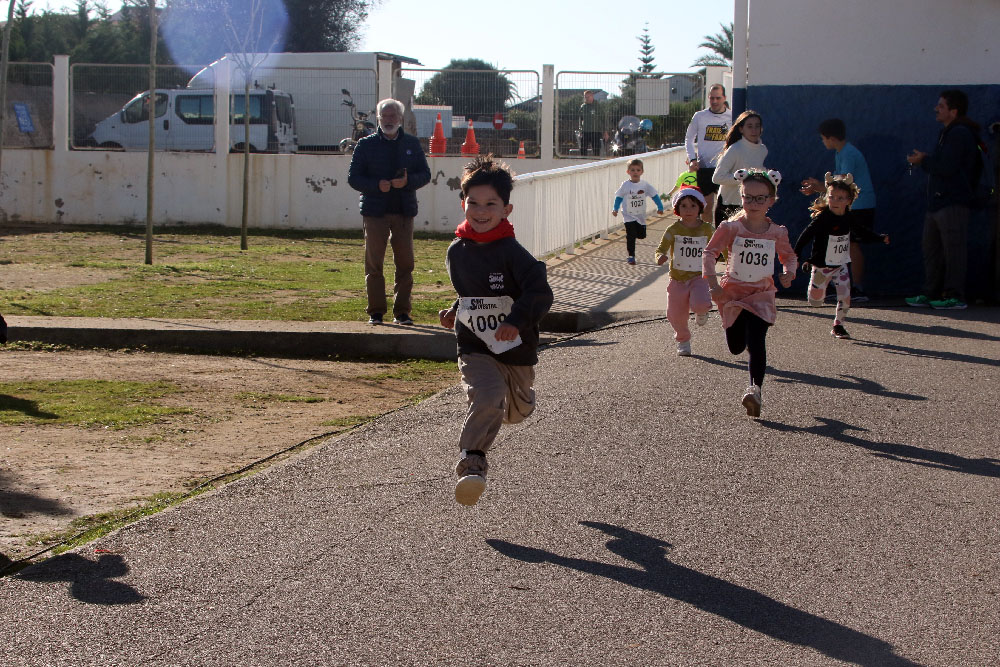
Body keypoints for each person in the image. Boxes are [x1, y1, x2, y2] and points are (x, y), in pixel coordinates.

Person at [438, 155, 554, 506]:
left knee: (514, 412)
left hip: (515, 349)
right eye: (473, 202)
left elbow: (539, 293)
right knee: (486, 396)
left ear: (507, 209)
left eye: (491, 204)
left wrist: (515, 321)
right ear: (463, 204)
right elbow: (471, 293)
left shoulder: (514, 254)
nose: (481, 210)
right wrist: (456, 311)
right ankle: (472, 462)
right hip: (474, 346)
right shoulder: (457, 252)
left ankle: (516, 401)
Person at [703, 169, 797, 417]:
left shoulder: (777, 232)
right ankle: (741, 338)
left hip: (761, 294)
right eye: (748, 197)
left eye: (760, 198)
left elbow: (788, 256)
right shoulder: (730, 228)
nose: (754, 203)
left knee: (757, 341)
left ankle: (754, 390)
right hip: (732, 294)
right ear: (741, 197)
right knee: (736, 347)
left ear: (771, 200)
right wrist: (713, 286)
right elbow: (709, 254)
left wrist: (789, 272)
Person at [348, 98, 432, 326]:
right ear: (378, 118)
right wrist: (377, 185)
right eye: (384, 116)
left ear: (400, 118)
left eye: (393, 115)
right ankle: (376, 312)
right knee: (374, 264)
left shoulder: (412, 144)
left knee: (405, 264)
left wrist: (406, 182)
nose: (389, 120)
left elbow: (425, 174)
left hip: (404, 212)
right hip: (374, 213)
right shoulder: (365, 145)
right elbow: (353, 178)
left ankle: (402, 312)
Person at [905, 89, 981, 310]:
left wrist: (924, 160)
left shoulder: (960, 134)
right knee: (932, 250)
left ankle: (954, 295)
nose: (936, 109)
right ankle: (931, 292)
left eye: (941, 106)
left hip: (953, 203)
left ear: (953, 111)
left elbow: (947, 167)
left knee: (953, 251)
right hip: (937, 203)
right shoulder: (947, 133)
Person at [794, 173, 890, 340]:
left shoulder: (849, 218)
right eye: (832, 197)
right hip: (821, 265)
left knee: (845, 297)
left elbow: (861, 231)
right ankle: (814, 280)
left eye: (840, 198)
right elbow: (806, 235)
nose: (836, 201)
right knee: (815, 301)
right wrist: (796, 254)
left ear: (848, 200)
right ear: (826, 198)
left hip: (841, 265)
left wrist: (879, 238)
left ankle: (838, 325)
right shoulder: (823, 219)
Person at [799, 119, 878, 303]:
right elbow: (835, 185)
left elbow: (842, 184)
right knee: (842, 244)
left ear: (831, 138)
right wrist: (819, 187)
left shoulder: (849, 154)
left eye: (823, 138)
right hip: (851, 206)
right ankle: (843, 286)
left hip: (861, 205)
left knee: (852, 245)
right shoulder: (840, 153)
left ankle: (858, 288)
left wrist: (819, 186)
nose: (822, 142)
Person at [655, 187, 715, 356]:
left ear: (700, 208)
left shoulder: (708, 229)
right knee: (675, 315)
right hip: (677, 279)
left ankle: (702, 311)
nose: (688, 210)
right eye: (684, 206)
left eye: (693, 206)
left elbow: (719, 245)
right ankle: (683, 340)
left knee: (700, 303)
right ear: (677, 209)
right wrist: (660, 257)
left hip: (699, 277)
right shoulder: (673, 229)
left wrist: (726, 258)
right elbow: (661, 249)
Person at [684, 84, 731, 225]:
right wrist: (692, 159)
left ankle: (721, 238)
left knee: (725, 207)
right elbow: (689, 138)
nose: (715, 101)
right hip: (705, 168)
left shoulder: (733, 116)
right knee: (706, 207)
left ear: (724, 98)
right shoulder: (700, 116)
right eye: (712, 98)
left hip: (725, 167)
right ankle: (709, 237)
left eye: (718, 98)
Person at [712, 110, 768, 224]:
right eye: (750, 126)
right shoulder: (735, 149)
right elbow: (717, 177)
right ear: (741, 129)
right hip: (728, 205)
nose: (754, 130)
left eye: (757, 126)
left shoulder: (763, 150)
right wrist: (741, 178)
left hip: (751, 206)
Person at [612, 158, 665, 264]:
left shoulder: (645, 185)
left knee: (641, 235)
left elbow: (654, 196)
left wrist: (660, 207)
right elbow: (619, 197)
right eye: (632, 170)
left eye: (637, 170)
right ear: (628, 172)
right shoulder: (625, 185)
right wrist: (615, 209)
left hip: (640, 216)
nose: (635, 172)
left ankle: (637, 233)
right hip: (628, 215)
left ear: (642, 172)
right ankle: (631, 255)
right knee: (630, 235)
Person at [579, 90, 602, 157]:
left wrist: (605, 131)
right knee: (583, 149)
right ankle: (583, 163)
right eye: (585, 97)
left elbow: (603, 118)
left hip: (595, 131)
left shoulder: (597, 106)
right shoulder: (583, 107)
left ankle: (596, 163)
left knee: (596, 150)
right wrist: (580, 130)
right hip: (585, 131)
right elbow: (580, 119)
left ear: (592, 96)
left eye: (588, 97)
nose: (586, 99)